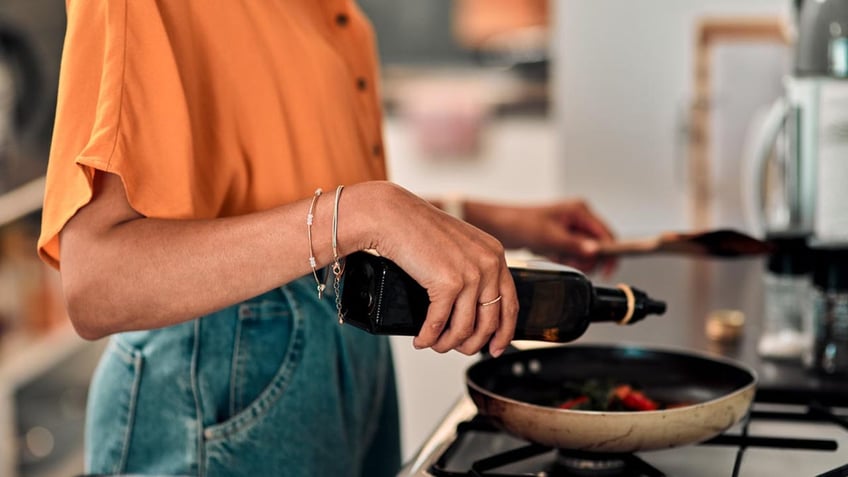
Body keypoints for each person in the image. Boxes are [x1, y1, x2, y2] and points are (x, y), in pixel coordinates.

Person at [38, 2, 615, 476]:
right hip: (221, 386)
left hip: (343, 358)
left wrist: (488, 219)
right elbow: (97, 283)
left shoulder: (329, 12)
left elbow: (308, 205)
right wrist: (368, 211)